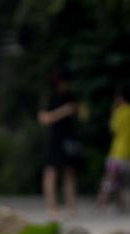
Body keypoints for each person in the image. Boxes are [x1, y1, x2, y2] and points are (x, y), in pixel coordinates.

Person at [38, 71, 80, 217]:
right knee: (51, 172)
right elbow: (44, 118)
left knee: (70, 172)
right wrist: (63, 111)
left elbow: (78, 114)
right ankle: (52, 207)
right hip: (54, 139)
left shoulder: (70, 96)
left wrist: (75, 111)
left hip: (69, 138)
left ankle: (71, 205)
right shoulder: (50, 97)